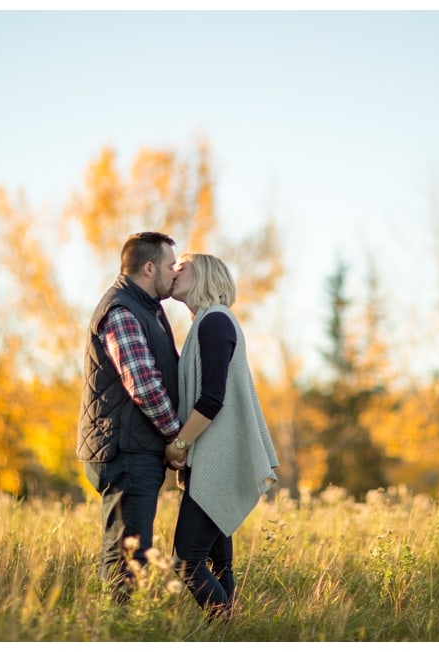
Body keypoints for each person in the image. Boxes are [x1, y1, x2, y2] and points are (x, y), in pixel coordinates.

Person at [163, 253, 279, 620]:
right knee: (220, 565)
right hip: (218, 458)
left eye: (182, 265)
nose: (174, 271)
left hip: (217, 460)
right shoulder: (208, 323)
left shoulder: (214, 323)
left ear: (205, 274)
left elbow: (212, 398)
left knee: (186, 562)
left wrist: (179, 444)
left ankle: (225, 622)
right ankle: (227, 635)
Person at [76, 231, 182, 602]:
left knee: (131, 552)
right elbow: (143, 384)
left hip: (133, 445)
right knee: (127, 556)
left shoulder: (146, 307)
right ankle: (119, 631)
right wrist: (177, 436)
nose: (176, 271)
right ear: (149, 267)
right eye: (171, 264)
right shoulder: (121, 310)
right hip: (125, 449)